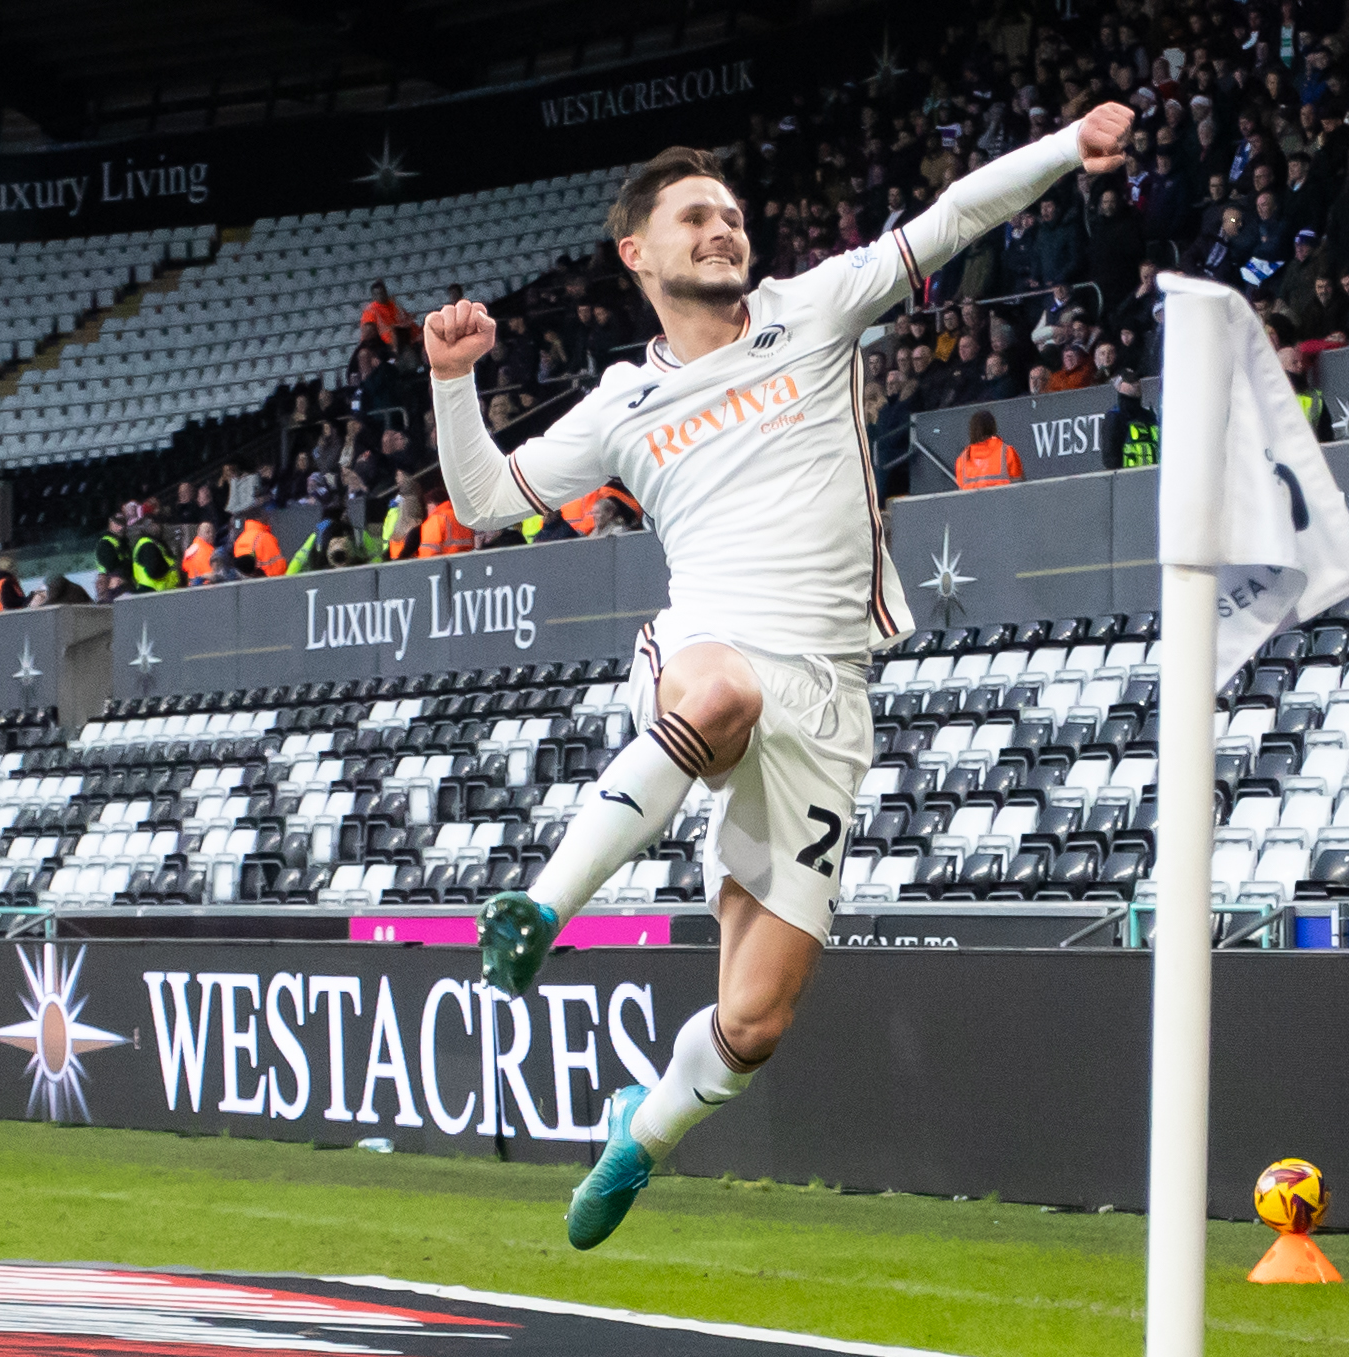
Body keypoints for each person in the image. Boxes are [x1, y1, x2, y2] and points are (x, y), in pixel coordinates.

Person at [421, 102, 1136, 1253]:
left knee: (754, 1022)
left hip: (830, 697)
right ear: (636, 254)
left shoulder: (814, 309)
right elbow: (484, 501)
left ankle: (636, 1134)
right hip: (708, 641)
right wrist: (453, 381)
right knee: (719, 696)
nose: (722, 230)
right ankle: (538, 910)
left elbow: (951, 217)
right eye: (695, 217)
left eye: (732, 215)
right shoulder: (619, 403)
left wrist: (1066, 146)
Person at [1100, 371, 1159, 469]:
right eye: (1130, 381)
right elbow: (1110, 456)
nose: (1135, 383)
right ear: (1120, 386)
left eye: (1136, 380)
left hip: (1154, 476)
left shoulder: (1149, 416)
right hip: (1129, 478)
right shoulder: (1115, 417)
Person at [953, 410, 1025, 489]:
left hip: (973, 501)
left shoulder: (962, 460)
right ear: (993, 427)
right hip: (1003, 500)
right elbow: (1020, 487)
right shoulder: (1007, 451)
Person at [359, 280, 418, 348]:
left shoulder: (393, 304)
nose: (381, 296)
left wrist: (409, 318)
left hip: (399, 337)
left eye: (382, 292)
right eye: (377, 294)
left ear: (386, 292)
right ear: (373, 296)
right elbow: (369, 332)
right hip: (382, 343)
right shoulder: (370, 310)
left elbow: (404, 318)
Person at [416, 487, 475, 556]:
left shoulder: (435, 520)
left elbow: (428, 551)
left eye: (427, 507)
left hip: (445, 564)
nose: (427, 511)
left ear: (432, 504)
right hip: (466, 562)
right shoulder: (460, 517)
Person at [232, 507, 288, 577]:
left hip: (247, 582)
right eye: (266, 516)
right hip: (268, 582)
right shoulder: (264, 537)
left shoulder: (240, 539)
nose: (268, 520)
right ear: (259, 518)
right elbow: (276, 567)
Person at [96, 512, 131, 581]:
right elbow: (112, 566)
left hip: (123, 580)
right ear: (110, 524)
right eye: (117, 524)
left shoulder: (123, 540)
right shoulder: (105, 543)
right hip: (113, 581)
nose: (121, 527)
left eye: (123, 524)